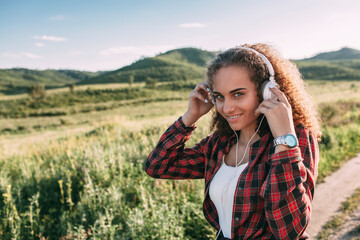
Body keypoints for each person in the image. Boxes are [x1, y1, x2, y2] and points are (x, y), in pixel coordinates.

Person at [144, 43, 321, 240]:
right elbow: (158, 167)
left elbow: (289, 230)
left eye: (238, 94)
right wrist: (189, 117)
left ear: (267, 92)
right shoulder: (219, 143)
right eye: (219, 96)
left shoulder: (294, 138)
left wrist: (284, 138)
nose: (227, 108)